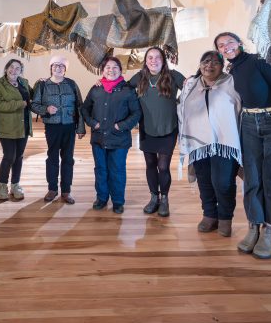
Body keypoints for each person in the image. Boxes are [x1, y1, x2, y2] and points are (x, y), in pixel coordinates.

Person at [215, 32, 271, 259]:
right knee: (252, 178)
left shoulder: (261, 60)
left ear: (239, 43)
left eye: (229, 42)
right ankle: (253, 226)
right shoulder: (231, 71)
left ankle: (268, 231)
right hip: (249, 123)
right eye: (221, 45)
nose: (226, 47)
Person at [178, 51, 242, 237]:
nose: (209, 65)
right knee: (204, 180)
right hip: (199, 143)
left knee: (223, 182)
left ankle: (225, 218)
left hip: (225, 142)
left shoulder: (231, 83)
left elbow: (240, 107)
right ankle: (209, 215)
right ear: (200, 65)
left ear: (222, 66)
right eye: (205, 61)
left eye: (215, 62)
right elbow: (181, 108)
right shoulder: (191, 85)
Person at [128, 47, 185, 217]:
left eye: (157, 57)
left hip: (168, 128)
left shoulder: (173, 75)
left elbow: (192, 88)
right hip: (147, 128)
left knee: (163, 166)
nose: (154, 60)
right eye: (150, 58)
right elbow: (123, 89)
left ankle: (165, 199)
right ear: (145, 61)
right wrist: (102, 82)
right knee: (151, 164)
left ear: (163, 60)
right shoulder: (139, 77)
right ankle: (154, 197)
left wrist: (179, 102)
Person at [81, 56, 142, 214]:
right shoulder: (96, 89)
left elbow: (136, 113)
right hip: (99, 138)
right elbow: (85, 109)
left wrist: (120, 126)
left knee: (117, 171)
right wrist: (93, 123)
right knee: (101, 170)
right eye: (108, 67)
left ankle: (118, 201)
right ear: (103, 71)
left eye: (115, 67)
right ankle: (101, 198)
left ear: (120, 71)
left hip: (119, 139)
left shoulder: (128, 90)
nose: (111, 70)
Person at [30, 55, 85, 204]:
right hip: (52, 126)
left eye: (61, 66)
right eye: (55, 65)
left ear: (65, 70)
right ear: (51, 68)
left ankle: (66, 191)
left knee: (68, 158)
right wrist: (46, 109)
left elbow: (80, 106)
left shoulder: (72, 84)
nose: (58, 68)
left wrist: (80, 128)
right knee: (52, 157)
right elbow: (34, 105)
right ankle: (52, 189)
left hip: (69, 126)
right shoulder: (43, 85)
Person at [0, 59, 32, 201]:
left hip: (23, 126)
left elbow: (33, 96)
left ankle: (15, 185)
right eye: (11, 67)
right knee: (9, 156)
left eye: (17, 68)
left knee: (19, 156)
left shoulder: (24, 82)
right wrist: (20, 104)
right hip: (7, 127)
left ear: (21, 71)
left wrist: (41, 83)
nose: (14, 70)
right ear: (6, 68)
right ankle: (2, 186)